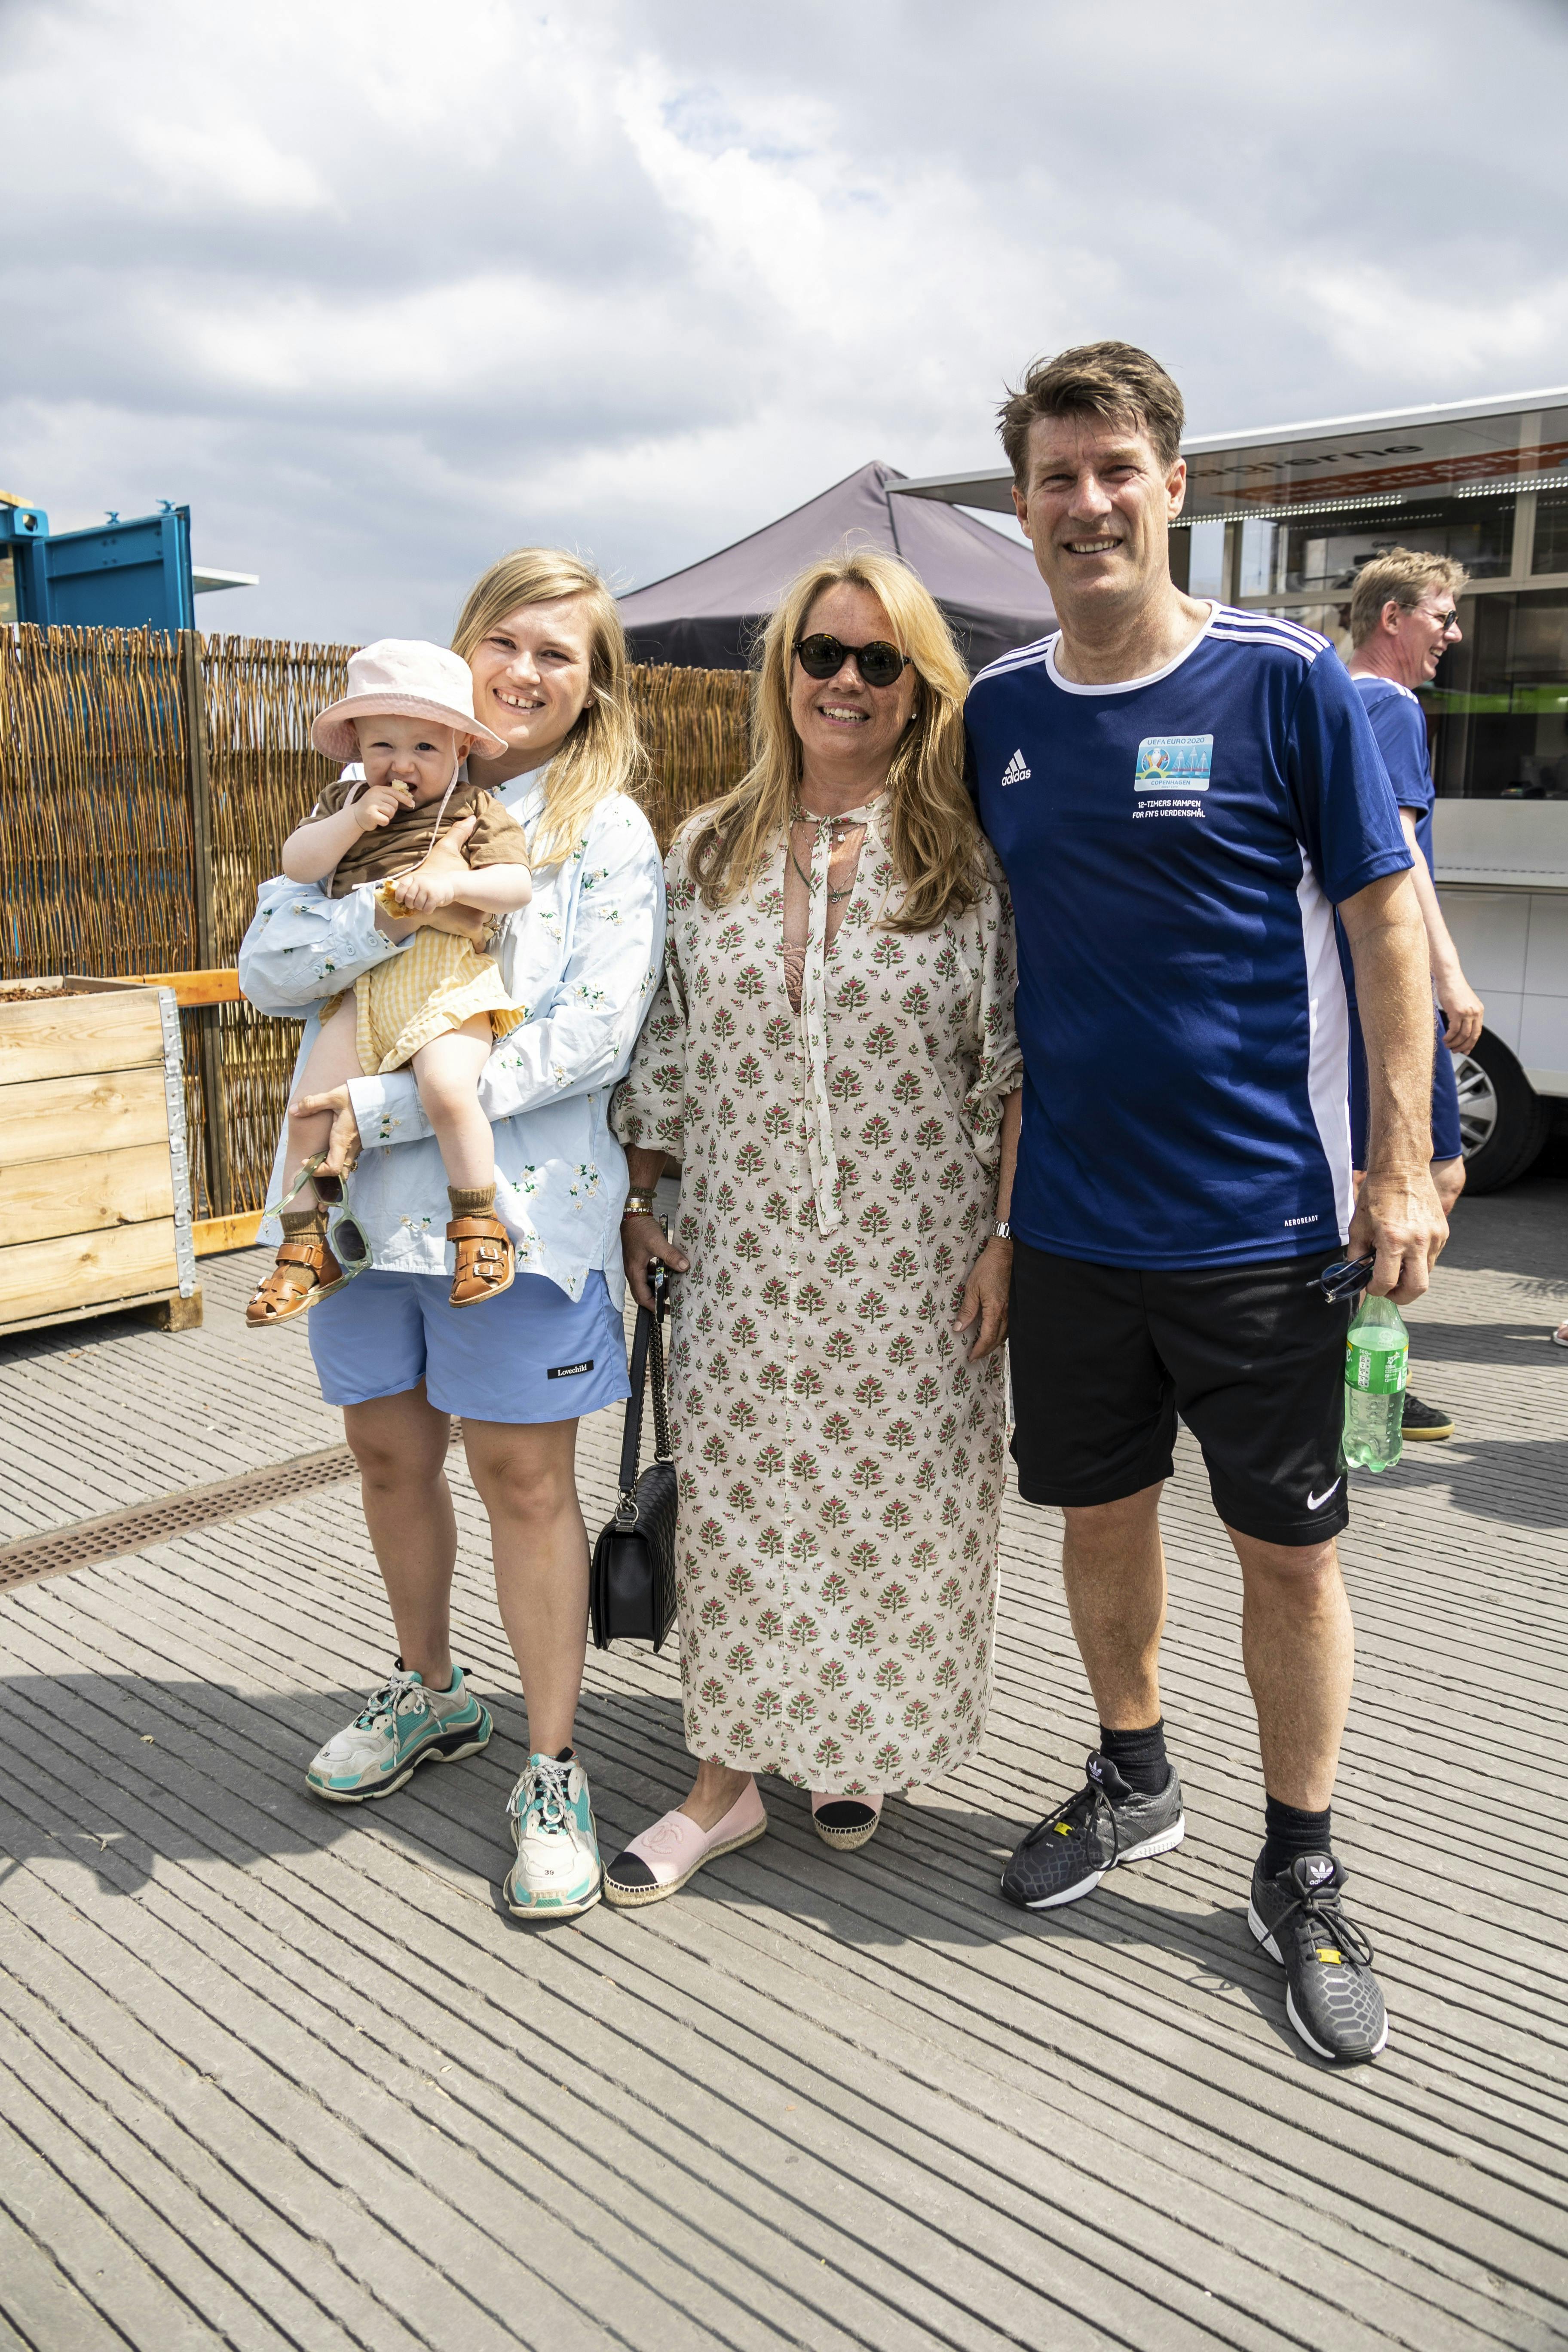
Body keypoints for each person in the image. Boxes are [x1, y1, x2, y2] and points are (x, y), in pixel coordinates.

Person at [966, 341, 1446, 2065]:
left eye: (1116, 472)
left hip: (1262, 1225)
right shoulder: (1001, 716)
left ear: (1175, 486)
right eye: (1054, 478)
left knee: (1291, 1559)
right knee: (1099, 1523)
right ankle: (1135, 1773)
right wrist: (1010, 1211)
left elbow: (1387, 921)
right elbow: (1002, 970)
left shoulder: (1287, 683)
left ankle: (1303, 1866)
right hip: (1083, 1230)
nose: (1086, 504)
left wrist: (1405, 1158)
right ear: (1024, 506)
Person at [237, 549, 665, 1920]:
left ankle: (552, 1764)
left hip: (516, 1213)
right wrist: (391, 891)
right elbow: (268, 971)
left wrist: (378, 1100)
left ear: (594, 688)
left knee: (526, 1485)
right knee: (384, 1456)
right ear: (466, 651)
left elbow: (592, 1040)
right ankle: (431, 1691)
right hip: (357, 1214)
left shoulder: (601, 830)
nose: (528, 673)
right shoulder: (380, 786)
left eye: (562, 655)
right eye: (508, 643)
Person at [603, 548, 1022, 1907]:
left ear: (917, 694)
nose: (845, 683)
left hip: (918, 1256)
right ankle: (722, 1788)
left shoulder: (966, 859)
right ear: (782, 671)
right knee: (736, 1512)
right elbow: (665, 1050)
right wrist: (643, 1200)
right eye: (821, 656)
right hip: (741, 1249)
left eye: (878, 662)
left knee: (894, 1515)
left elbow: (1012, 1065)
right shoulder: (706, 846)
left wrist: (1005, 1238)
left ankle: (852, 1744)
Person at [247, 640, 533, 1324]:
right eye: (383, 746)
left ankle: (478, 1226)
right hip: (365, 983)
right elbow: (297, 863)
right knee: (312, 1108)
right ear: (357, 746)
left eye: (424, 749)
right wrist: (351, 820)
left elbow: (515, 884)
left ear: (460, 750)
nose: (401, 765)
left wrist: (453, 881)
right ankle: (304, 1245)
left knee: (446, 1088)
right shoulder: (345, 798)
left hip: (445, 977)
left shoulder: (474, 808)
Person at [1343, 549, 1483, 1442]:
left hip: (1330, 986)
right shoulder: (1389, 705)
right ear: (1392, 617)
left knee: (1363, 1177)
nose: (1454, 634)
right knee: (1436, 1173)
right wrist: (1448, 972)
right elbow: (1398, 855)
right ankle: (1356, 1362)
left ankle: (1338, 1358)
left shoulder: (1329, 696)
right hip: (1383, 980)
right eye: (1440, 614)